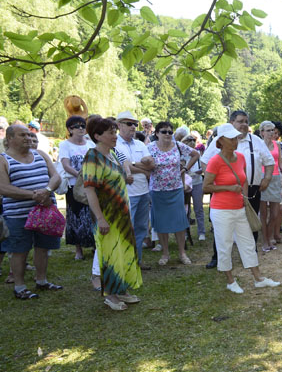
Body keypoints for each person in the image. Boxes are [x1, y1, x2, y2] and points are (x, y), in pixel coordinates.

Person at [202, 123, 280, 294]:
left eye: (236, 137)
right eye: (231, 138)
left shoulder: (240, 157)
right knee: (225, 245)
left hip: (239, 208)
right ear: (221, 141)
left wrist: (244, 198)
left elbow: (243, 179)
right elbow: (206, 187)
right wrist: (228, 189)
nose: (235, 141)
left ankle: (258, 278)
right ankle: (230, 281)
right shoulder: (215, 161)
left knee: (248, 243)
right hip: (221, 210)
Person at [81, 116, 142, 310]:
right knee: (109, 254)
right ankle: (111, 295)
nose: (114, 136)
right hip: (107, 215)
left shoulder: (112, 154)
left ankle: (122, 289)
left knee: (123, 252)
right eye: (110, 132)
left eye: (115, 132)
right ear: (97, 135)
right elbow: (90, 190)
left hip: (122, 213)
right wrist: (100, 219)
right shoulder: (93, 156)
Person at [0, 124, 62, 299]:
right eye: (22, 135)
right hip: (18, 215)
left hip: (45, 211)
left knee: (43, 246)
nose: (28, 138)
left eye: (29, 134)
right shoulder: (3, 160)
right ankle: (19, 287)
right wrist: (33, 195)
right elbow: (3, 187)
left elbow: (56, 177)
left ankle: (41, 280)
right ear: (10, 138)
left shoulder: (40, 154)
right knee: (20, 249)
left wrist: (47, 190)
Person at [147, 120, 200, 266]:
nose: (167, 134)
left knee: (179, 222)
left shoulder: (177, 145)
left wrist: (186, 169)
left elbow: (196, 154)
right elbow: (143, 163)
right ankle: (165, 253)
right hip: (157, 190)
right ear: (157, 133)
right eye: (164, 131)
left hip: (176, 189)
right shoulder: (150, 147)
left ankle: (182, 253)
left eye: (170, 132)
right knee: (161, 223)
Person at [114, 111, 155, 265]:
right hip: (126, 193)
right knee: (125, 228)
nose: (133, 127)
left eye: (135, 124)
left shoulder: (139, 143)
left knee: (141, 228)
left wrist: (133, 165)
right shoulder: (114, 144)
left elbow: (152, 165)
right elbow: (123, 166)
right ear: (119, 125)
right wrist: (142, 168)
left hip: (144, 192)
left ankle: (136, 261)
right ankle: (124, 262)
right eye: (129, 123)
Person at [58, 115, 96, 260]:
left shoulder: (90, 144)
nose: (81, 129)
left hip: (92, 185)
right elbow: (66, 165)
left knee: (92, 214)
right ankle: (78, 249)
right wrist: (80, 176)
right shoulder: (65, 145)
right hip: (74, 185)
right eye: (77, 126)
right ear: (69, 129)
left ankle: (94, 245)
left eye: (83, 126)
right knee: (75, 215)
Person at [258, 121, 282, 252]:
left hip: (275, 178)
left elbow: (280, 162)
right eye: (268, 130)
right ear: (262, 132)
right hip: (263, 178)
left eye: (272, 130)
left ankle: (270, 236)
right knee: (263, 213)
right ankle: (265, 240)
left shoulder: (277, 145)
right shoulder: (258, 145)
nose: (271, 133)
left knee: (275, 213)